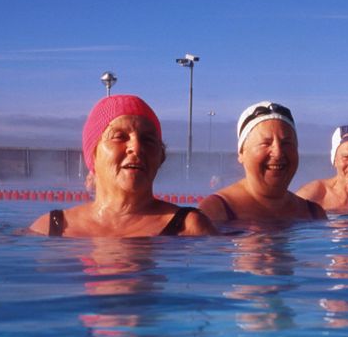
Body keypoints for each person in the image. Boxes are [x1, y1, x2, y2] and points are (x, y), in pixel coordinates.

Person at [29, 95, 217, 237]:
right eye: (119, 137)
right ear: (92, 154)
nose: (136, 147)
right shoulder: (50, 228)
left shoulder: (190, 228)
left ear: (160, 157)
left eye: (148, 140)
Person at [198, 101, 327, 223]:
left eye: (286, 143)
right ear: (241, 153)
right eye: (266, 143)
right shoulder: (215, 211)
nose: (278, 153)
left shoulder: (314, 214)